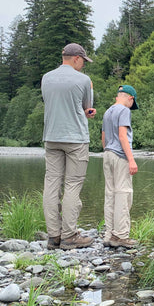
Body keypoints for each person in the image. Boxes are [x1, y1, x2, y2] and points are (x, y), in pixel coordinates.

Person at [41, 43, 96, 250]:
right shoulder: (84, 80)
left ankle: (53, 236)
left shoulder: (46, 78)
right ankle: (70, 235)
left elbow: (49, 102)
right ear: (76, 58)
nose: (83, 65)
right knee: (72, 184)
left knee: (52, 183)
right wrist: (89, 112)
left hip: (51, 137)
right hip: (76, 139)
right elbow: (86, 108)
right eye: (83, 61)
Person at [101, 85, 139, 248]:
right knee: (123, 194)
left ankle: (109, 234)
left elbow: (103, 137)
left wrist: (107, 150)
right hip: (120, 155)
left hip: (108, 153)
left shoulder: (108, 111)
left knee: (110, 194)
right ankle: (121, 235)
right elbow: (123, 135)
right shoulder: (124, 110)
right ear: (130, 98)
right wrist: (131, 159)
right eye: (133, 102)